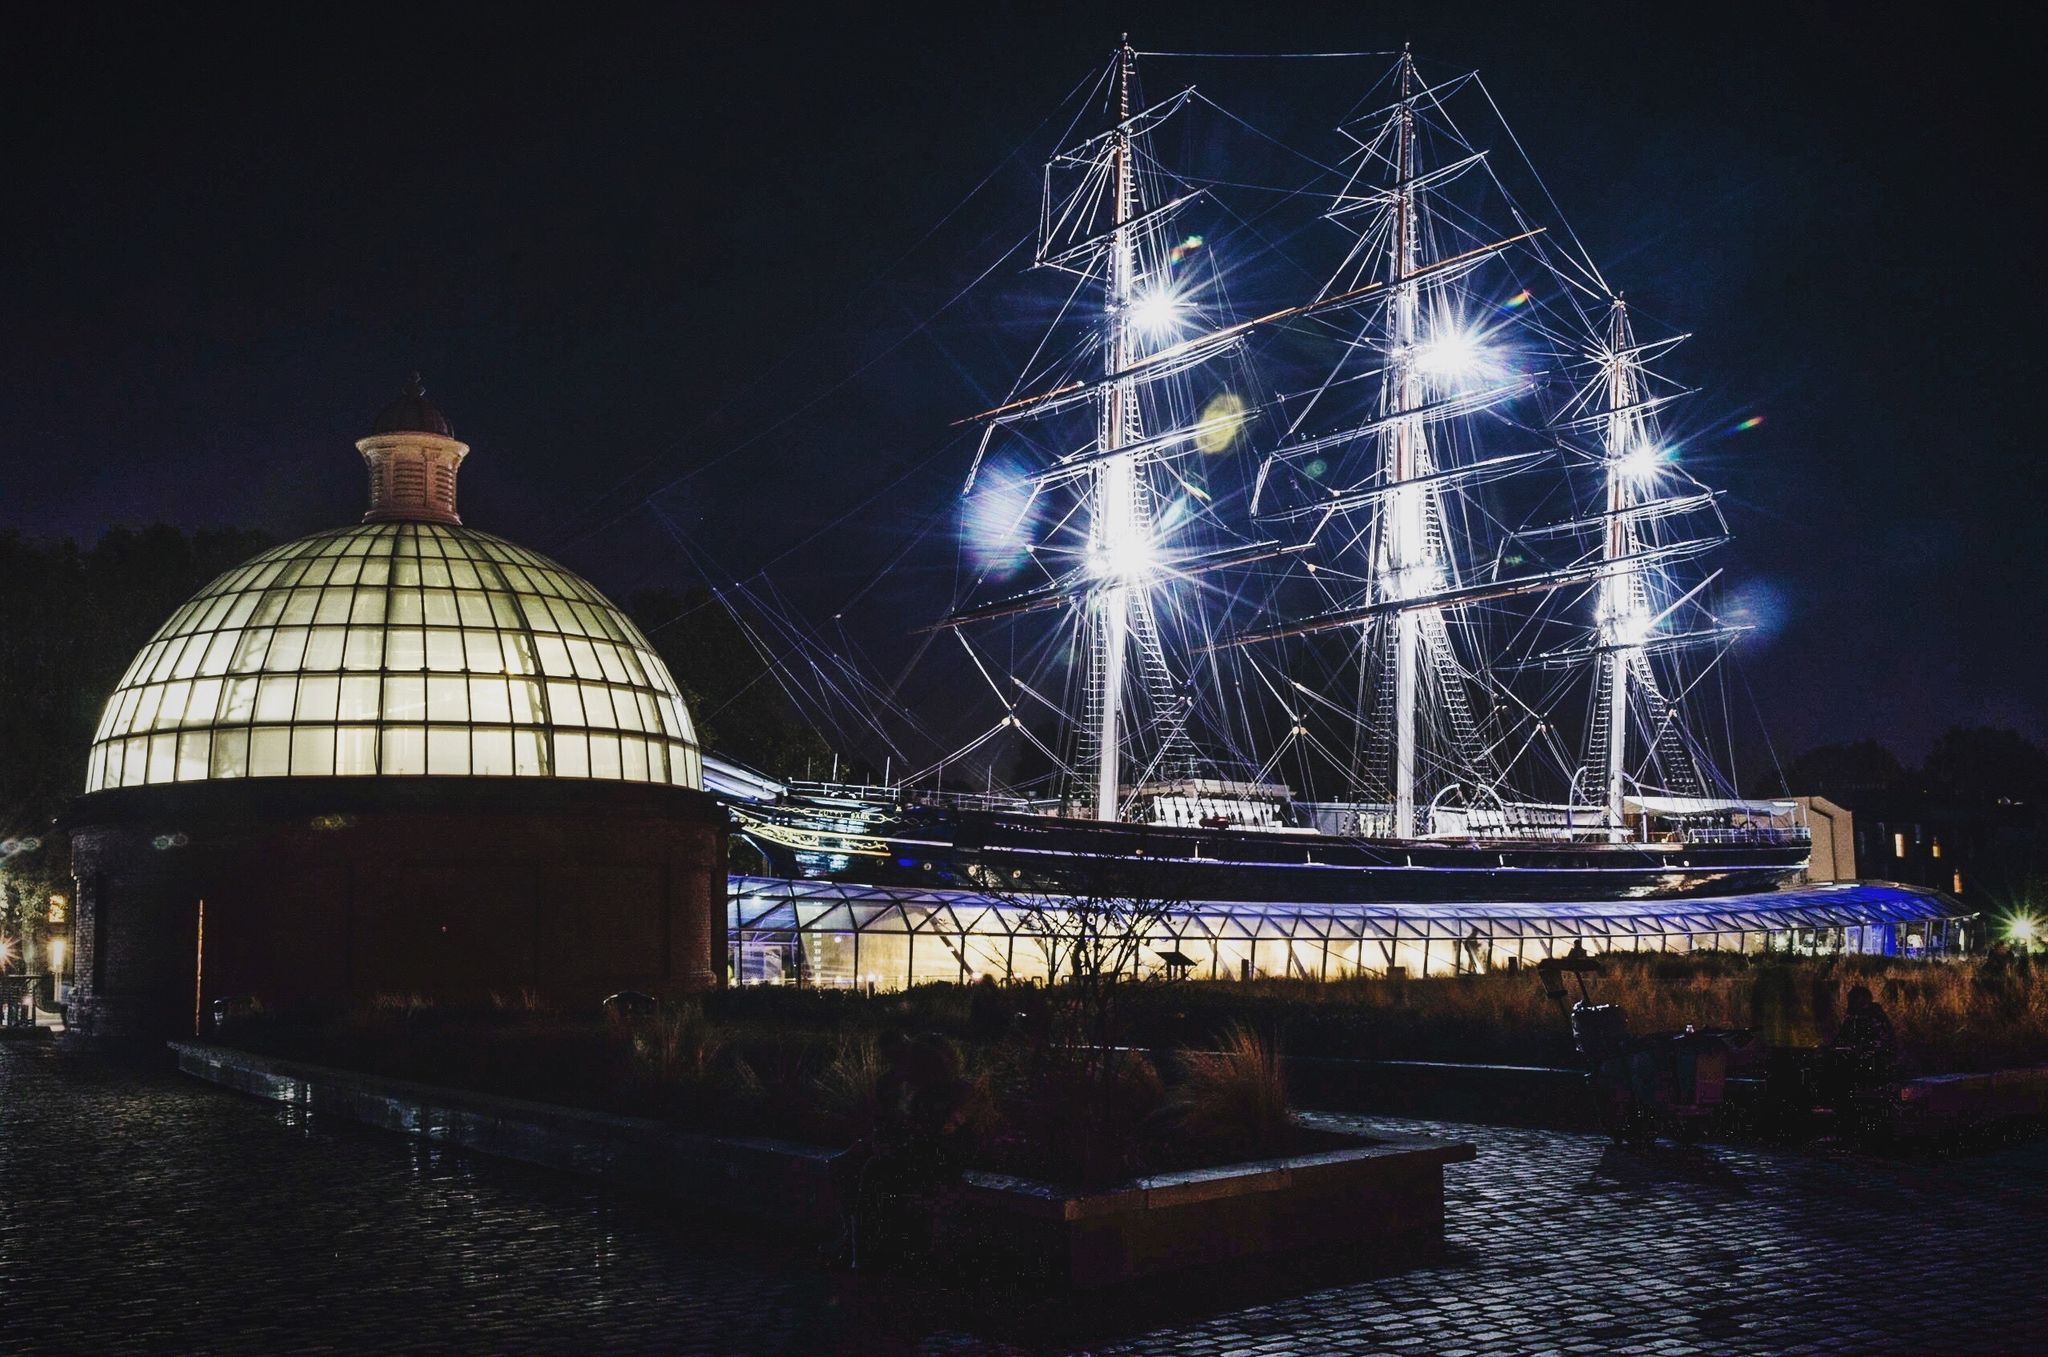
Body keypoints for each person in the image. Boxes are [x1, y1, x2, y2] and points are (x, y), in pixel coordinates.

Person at [827, 1032, 975, 1269]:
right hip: (914, 1157)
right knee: (850, 1165)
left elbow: (938, 1137)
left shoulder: (950, 1093)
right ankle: (854, 1242)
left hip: (935, 1164)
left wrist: (894, 1144)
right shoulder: (906, 1088)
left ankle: (863, 1251)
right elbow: (897, 1127)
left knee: (874, 1171)